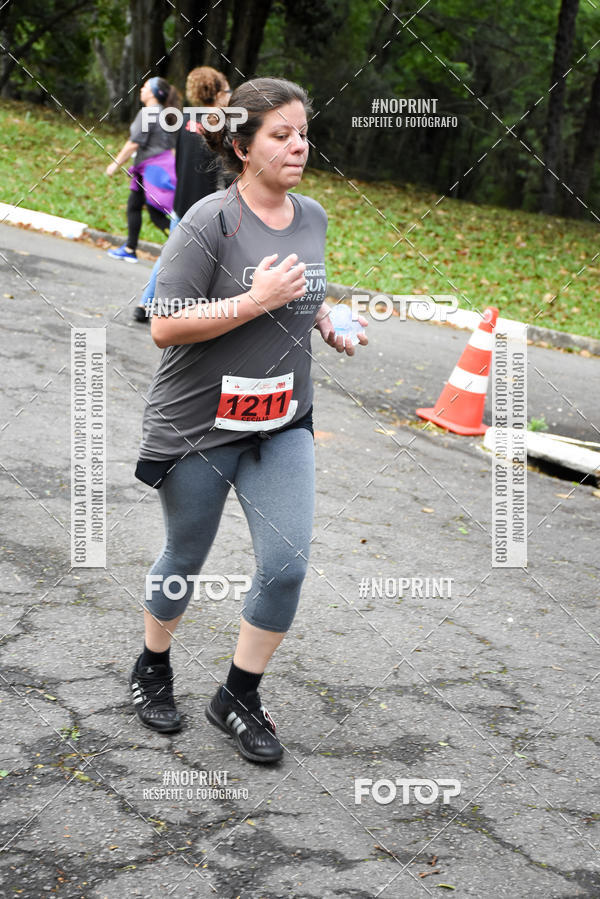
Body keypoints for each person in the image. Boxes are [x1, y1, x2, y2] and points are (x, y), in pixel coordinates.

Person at [129, 77, 368, 764]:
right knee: (186, 556)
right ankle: (152, 664)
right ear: (242, 145)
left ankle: (238, 693)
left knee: (287, 563)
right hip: (199, 424)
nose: (300, 145)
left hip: (282, 420)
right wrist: (253, 301)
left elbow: (308, 285)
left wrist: (328, 318)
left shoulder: (313, 215)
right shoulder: (209, 221)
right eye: (282, 134)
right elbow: (165, 327)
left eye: (303, 132)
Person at [133, 67, 231, 322]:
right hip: (208, 202)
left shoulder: (185, 117)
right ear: (218, 89)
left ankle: (145, 304)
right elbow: (225, 166)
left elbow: (178, 159)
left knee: (171, 254)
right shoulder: (222, 122)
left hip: (183, 198)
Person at [106, 77, 180, 263]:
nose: (141, 89)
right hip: (158, 168)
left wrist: (115, 164)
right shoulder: (166, 113)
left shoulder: (148, 113)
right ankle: (130, 248)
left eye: (146, 87)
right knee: (135, 205)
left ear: (155, 93)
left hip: (152, 170)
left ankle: (185, 249)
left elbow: (133, 144)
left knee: (156, 212)